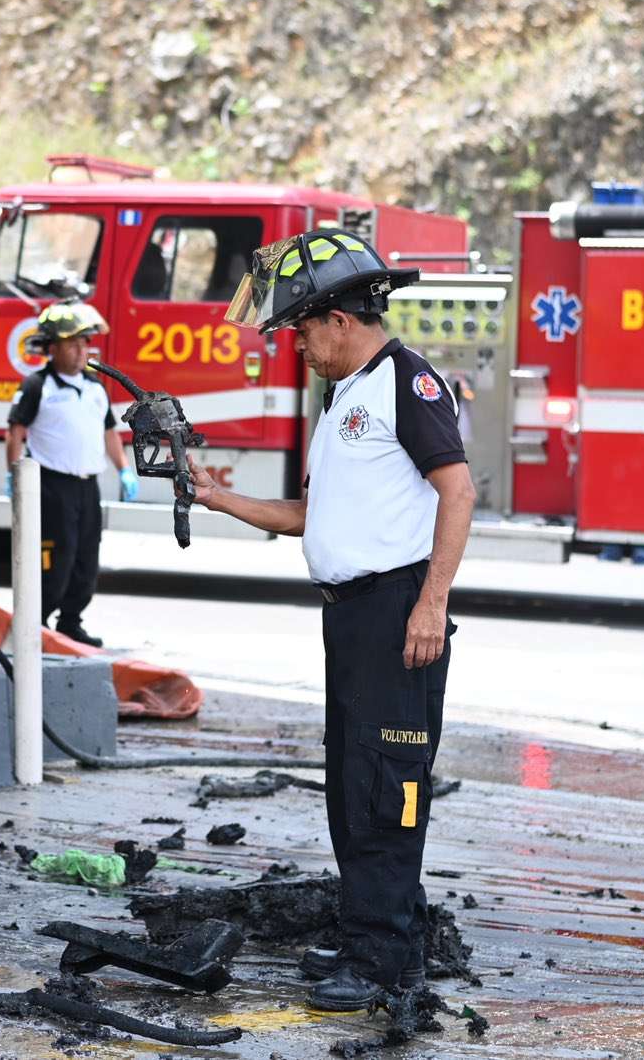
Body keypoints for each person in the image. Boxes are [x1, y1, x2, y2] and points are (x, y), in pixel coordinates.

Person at [192, 229, 474, 1010]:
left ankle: (385, 959)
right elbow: (306, 516)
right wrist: (219, 497)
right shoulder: (344, 395)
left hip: (396, 611)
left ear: (342, 321)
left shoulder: (403, 384)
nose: (299, 349)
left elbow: (458, 493)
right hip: (352, 617)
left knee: (388, 785)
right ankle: (373, 933)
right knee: (354, 784)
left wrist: (431, 602)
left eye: (304, 331)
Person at [3, 301, 139, 647]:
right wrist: (14, 474)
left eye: (85, 344)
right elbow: (16, 431)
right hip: (52, 487)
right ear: (53, 348)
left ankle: (70, 621)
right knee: (56, 557)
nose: (81, 351)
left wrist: (124, 470)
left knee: (86, 557)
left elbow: (110, 432)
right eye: (73, 344)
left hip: (86, 487)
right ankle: (38, 622)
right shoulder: (38, 386)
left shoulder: (95, 388)